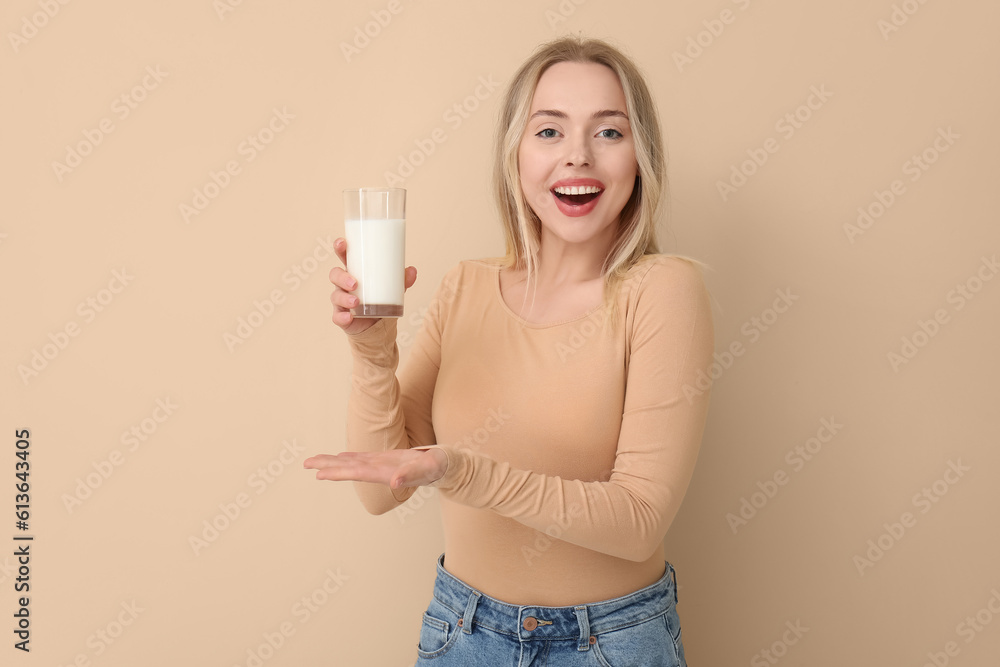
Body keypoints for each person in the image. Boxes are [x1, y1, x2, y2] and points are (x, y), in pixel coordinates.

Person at [304, 35, 714, 666]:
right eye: (549, 131)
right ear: (514, 155)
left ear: (641, 158)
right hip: (462, 633)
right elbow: (379, 489)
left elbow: (638, 522)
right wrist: (373, 351)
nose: (577, 156)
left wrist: (462, 471)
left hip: (607, 644)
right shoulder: (466, 286)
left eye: (609, 133)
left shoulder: (663, 291)